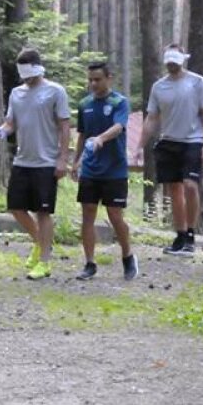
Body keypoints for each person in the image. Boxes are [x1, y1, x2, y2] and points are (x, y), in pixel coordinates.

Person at [0, 49, 71, 280]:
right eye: (24, 75)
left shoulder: (55, 91)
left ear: (38, 68)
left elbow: (64, 125)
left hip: (46, 160)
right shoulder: (16, 93)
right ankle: (40, 243)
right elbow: (11, 122)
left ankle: (44, 262)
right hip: (23, 160)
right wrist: (0, 132)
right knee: (15, 207)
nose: (27, 79)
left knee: (43, 211)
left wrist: (63, 158)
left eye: (30, 73)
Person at [138, 44, 203, 255]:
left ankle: (191, 234)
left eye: (175, 62)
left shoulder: (196, 82)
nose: (172, 65)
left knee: (191, 185)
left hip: (193, 140)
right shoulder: (159, 87)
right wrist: (139, 146)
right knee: (174, 189)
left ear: (182, 60)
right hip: (169, 140)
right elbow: (152, 118)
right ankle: (180, 234)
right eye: (169, 62)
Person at [69, 62, 138, 281]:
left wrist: (100, 139)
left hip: (115, 169)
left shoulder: (119, 102)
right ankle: (90, 263)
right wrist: (76, 161)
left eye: (97, 79)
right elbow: (82, 134)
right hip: (90, 169)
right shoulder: (84, 104)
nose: (93, 84)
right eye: (90, 79)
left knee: (115, 216)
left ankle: (127, 256)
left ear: (109, 78)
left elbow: (119, 127)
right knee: (87, 213)